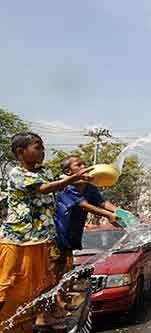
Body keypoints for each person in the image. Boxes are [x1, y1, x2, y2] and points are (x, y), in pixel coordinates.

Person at [0, 132, 92, 330]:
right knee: (7, 285)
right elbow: (43, 188)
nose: (43, 152)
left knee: (43, 284)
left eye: (43, 148)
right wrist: (74, 177)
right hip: (17, 240)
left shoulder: (45, 172)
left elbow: (65, 185)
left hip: (41, 240)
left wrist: (89, 177)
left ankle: (42, 318)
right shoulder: (16, 173)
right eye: (38, 147)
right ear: (20, 151)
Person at [54, 156, 121, 275]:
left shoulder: (90, 187)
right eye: (78, 165)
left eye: (84, 164)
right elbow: (84, 205)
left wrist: (119, 211)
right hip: (58, 235)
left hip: (73, 234)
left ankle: (62, 291)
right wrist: (108, 215)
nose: (84, 167)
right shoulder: (66, 188)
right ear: (68, 172)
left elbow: (102, 203)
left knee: (67, 266)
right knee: (56, 266)